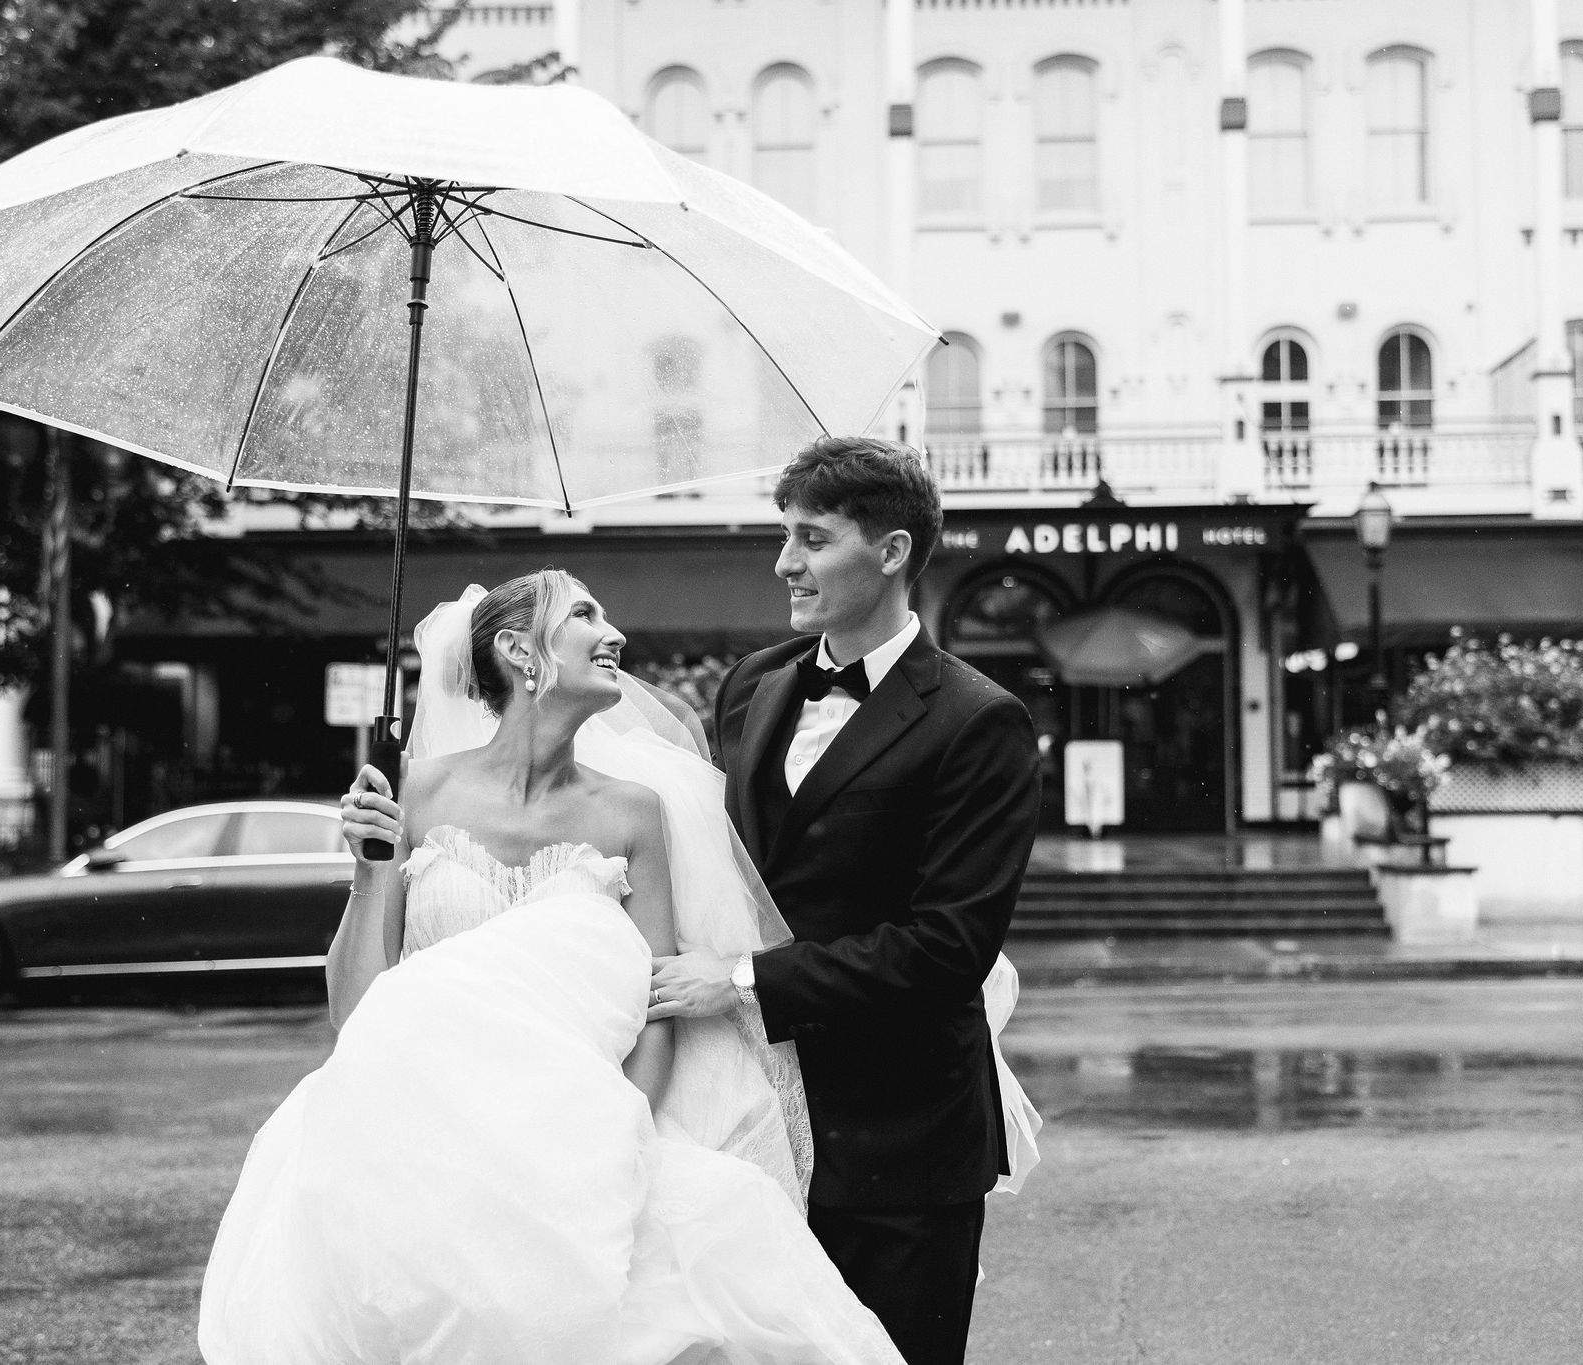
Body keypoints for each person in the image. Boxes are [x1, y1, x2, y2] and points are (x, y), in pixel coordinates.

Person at [197, 570, 904, 1365]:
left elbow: (657, 1004)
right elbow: (355, 1013)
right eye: (585, 615)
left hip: (590, 1147)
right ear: (519, 652)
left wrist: (608, 1146)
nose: (617, 635)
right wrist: (369, 871)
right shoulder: (416, 791)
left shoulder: (635, 810)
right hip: (417, 1143)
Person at [649, 437, 1044, 1365]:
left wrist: (741, 980)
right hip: (749, 1124)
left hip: (904, 1142)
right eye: (785, 535)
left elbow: (949, 946)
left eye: (812, 538)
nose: (785, 561)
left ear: (894, 550)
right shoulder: (754, 684)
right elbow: (717, 861)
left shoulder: (980, 721)